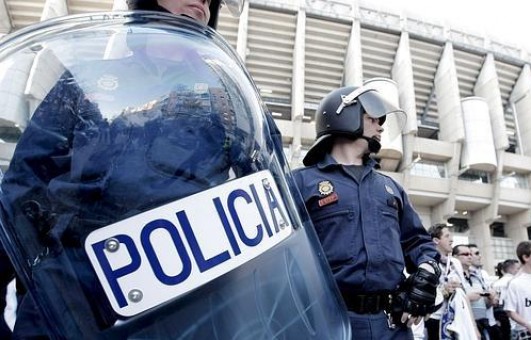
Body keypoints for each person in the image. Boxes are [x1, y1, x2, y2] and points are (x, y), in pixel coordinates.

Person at [0, 0, 351, 338]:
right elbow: (22, 189)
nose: (205, 0)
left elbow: (272, 191)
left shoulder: (225, 92)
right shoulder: (87, 77)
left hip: (195, 302)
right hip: (81, 292)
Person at [291, 84, 441, 339]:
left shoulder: (390, 188)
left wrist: (426, 272)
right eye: (372, 118)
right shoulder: (299, 184)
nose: (381, 127)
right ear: (343, 116)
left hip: (391, 326)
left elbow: (419, 242)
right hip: (328, 323)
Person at [426, 223, 464, 340]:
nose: (452, 239)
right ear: (436, 240)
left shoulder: (455, 263)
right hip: (435, 317)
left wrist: (458, 287)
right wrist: (443, 290)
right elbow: (423, 292)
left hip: (456, 317)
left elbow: (463, 288)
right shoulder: (427, 261)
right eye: (447, 236)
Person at [454, 244, 498, 339]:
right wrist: (467, 298)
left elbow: (485, 305)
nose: (469, 256)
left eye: (470, 254)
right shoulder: (453, 277)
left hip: (483, 322)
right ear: (455, 257)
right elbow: (451, 303)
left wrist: (490, 298)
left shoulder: (477, 277)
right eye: (465, 254)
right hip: (465, 324)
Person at [492, 259, 519, 339]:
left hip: (499, 316)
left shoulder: (495, 283)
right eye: (518, 268)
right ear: (512, 269)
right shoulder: (515, 282)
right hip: (514, 319)